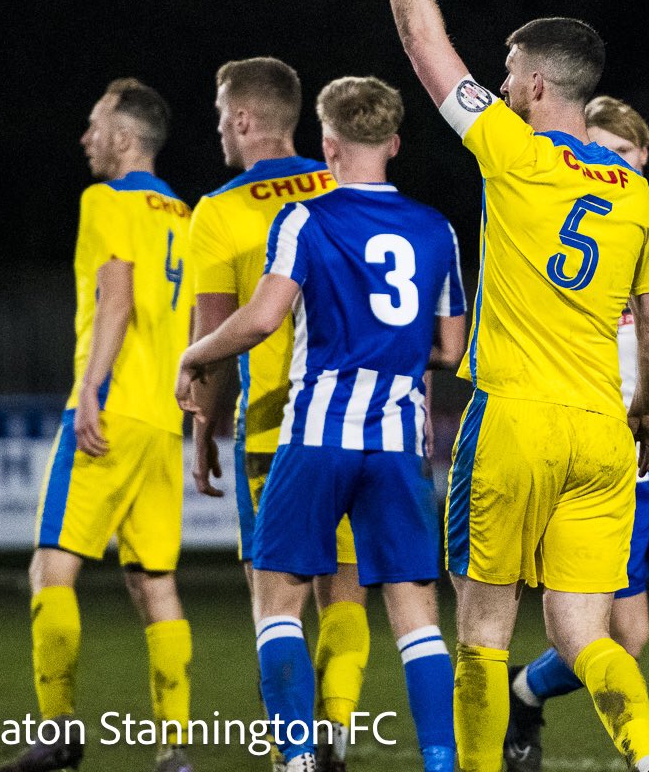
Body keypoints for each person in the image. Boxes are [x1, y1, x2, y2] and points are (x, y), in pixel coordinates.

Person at [379, 0, 649, 772]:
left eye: (510, 71)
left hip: (512, 423)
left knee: (482, 633)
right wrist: (647, 412)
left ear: (538, 85)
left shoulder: (511, 148)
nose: (503, 84)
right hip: (602, 431)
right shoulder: (635, 195)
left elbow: (424, 44)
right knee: (588, 635)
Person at [177, 76, 467, 772]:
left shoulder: (304, 220)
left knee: (278, 601)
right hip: (397, 443)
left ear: (328, 145)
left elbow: (262, 319)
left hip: (315, 435)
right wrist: (392, 355)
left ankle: (299, 758)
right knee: (415, 616)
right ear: (394, 144)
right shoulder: (437, 229)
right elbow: (452, 348)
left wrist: (195, 354)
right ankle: (439, 762)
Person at [505, 96, 649, 772]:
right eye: (595, 147)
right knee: (622, 641)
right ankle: (524, 693)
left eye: (620, 151)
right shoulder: (557, 225)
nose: (607, 160)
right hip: (598, 461)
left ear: (643, 157)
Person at [0, 79, 194, 772]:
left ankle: (57, 731)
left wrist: (88, 390)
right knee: (155, 582)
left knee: (51, 568)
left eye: (95, 125)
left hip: (112, 410)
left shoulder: (105, 201)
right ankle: (175, 749)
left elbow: (117, 296)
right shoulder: (184, 213)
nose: (86, 138)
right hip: (164, 419)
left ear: (124, 137)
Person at [187, 57, 369, 771]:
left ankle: (294, 754)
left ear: (241, 119)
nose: (218, 132)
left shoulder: (220, 210)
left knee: (277, 605)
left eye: (219, 117)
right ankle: (338, 733)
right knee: (345, 595)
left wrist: (203, 429)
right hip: (360, 428)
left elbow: (215, 337)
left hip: (275, 433)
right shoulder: (344, 187)